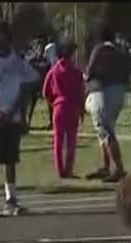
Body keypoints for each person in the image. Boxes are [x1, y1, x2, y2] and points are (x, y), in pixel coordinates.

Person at [0, 22, 39, 218]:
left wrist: (13, 110)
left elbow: (29, 86)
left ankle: (11, 201)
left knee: (10, 160)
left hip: (12, 117)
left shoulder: (19, 63)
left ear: (8, 39)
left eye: (0, 37)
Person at [84, 26, 131, 181]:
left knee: (105, 131)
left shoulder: (99, 50)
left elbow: (90, 71)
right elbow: (129, 72)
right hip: (119, 91)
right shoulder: (120, 51)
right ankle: (106, 167)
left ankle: (118, 168)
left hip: (102, 91)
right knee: (105, 130)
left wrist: (86, 80)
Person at [42, 42, 84, 179]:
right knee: (71, 140)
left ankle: (60, 170)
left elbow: (45, 91)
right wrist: (81, 108)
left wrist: (53, 102)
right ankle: (68, 169)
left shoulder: (53, 71)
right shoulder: (76, 72)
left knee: (58, 141)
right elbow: (80, 92)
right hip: (72, 106)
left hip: (58, 106)